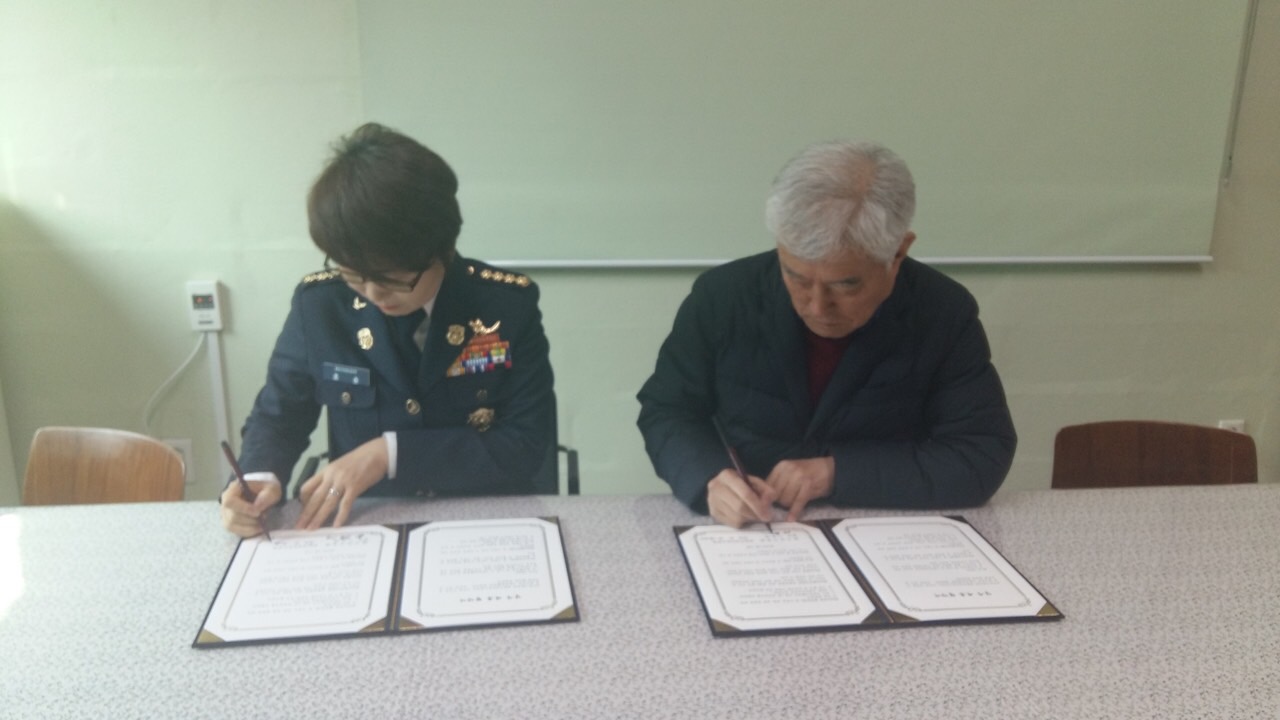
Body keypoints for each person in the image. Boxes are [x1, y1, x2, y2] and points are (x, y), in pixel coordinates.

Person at [636, 140, 1016, 528]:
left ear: (898, 253)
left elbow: (979, 453)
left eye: (845, 284)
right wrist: (709, 478)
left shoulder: (942, 312)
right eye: (796, 277)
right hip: (751, 529)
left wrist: (837, 473)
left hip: (883, 531)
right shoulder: (723, 297)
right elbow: (667, 410)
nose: (817, 307)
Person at [220, 123, 555, 537]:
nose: (375, 293)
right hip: (365, 522)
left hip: (485, 517)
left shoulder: (505, 305)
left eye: (394, 279)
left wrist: (390, 454)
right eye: (353, 274)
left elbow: (524, 444)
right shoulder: (321, 306)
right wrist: (258, 478)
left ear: (444, 250)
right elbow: (279, 416)